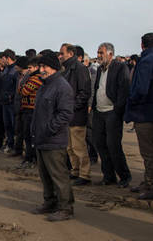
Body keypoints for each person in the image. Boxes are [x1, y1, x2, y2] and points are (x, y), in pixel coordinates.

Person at [30, 51, 75, 221]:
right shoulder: (44, 85)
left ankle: (65, 208)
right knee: (45, 174)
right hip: (41, 139)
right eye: (40, 66)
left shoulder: (62, 86)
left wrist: (48, 129)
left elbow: (65, 114)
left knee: (59, 175)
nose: (41, 69)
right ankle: (50, 202)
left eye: (44, 66)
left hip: (53, 139)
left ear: (54, 67)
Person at [125, 32, 153, 200]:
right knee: (151, 151)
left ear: (142, 44)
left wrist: (133, 101)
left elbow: (140, 89)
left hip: (145, 112)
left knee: (148, 152)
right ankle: (149, 182)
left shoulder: (146, 61)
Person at [92, 42, 132, 187]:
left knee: (113, 146)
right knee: (100, 144)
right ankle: (108, 176)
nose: (98, 55)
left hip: (112, 112)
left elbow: (124, 90)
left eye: (101, 53)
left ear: (110, 54)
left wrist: (117, 109)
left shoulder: (120, 67)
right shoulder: (99, 70)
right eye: (98, 52)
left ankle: (124, 176)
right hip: (99, 112)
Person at [59, 44, 92, 185]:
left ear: (71, 54)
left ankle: (85, 174)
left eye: (62, 53)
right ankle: (75, 170)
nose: (60, 56)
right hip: (67, 115)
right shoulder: (65, 70)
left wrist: (72, 108)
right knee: (70, 147)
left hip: (76, 115)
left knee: (79, 146)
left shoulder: (80, 69)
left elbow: (84, 93)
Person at [17, 56, 43, 168]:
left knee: (29, 136)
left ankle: (31, 158)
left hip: (31, 110)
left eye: (30, 68)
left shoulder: (36, 78)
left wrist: (22, 83)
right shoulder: (32, 77)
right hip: (27, 109)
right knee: (27, 135)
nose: (29, 70)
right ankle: (29, 157)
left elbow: (23, 91)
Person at [0, 49, 19, 153]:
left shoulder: (15, 70)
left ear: (7, 58)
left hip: (12, 103)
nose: (2, 61)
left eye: (3, 59)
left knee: (14, 125)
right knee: (7, 124)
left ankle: (16, 146)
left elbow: (17, 87)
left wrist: (11, 97)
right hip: (4, 102)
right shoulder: (6, 70)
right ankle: (9, 143)